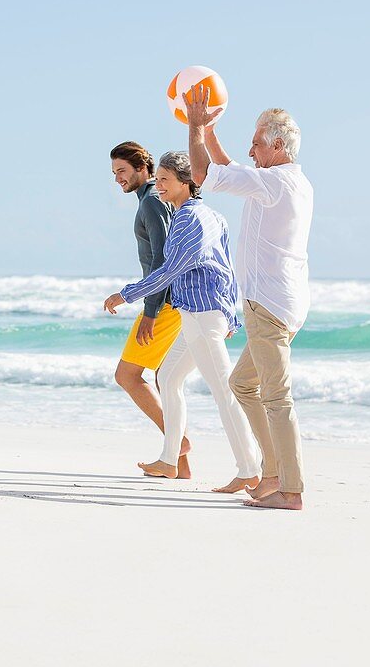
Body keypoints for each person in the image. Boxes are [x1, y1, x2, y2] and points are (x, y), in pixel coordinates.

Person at [185, 86, 313, 511]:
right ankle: (273, 473)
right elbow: (227, 168)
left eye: (258, 142)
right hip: (280, 302)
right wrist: (210, 133)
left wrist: (197, 128)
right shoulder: (285, 180)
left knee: (277, 398)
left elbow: (203, 174)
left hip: (269, 305)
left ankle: (290, 490)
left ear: (278, 145)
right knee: (243, 383)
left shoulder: (275, 183)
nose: (251, 148)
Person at [103, 152, 261, 491]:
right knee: (168, 377)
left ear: (186, 183)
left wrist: (126, 294)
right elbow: (227, 269)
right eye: (157, 178)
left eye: (164, 180)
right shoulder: (212, 216)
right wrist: (229, 314)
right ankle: (169, 460)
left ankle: (250, 468)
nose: (157, 186)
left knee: (223, 392)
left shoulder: (190, 220)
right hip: (199, 315)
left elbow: (170, 269)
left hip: (202, 317)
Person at [109, 141, 192, 478]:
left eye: (122, 171)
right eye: (114, 173)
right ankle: (178, 465)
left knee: (127, 376)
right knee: (164, 378)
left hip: (166, 303)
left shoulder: (152, 202)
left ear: (143, 168)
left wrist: (151, 311)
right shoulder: (153, 200)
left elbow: (162, 257)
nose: (117, 179)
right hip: (173, 300)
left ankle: (179, 442)